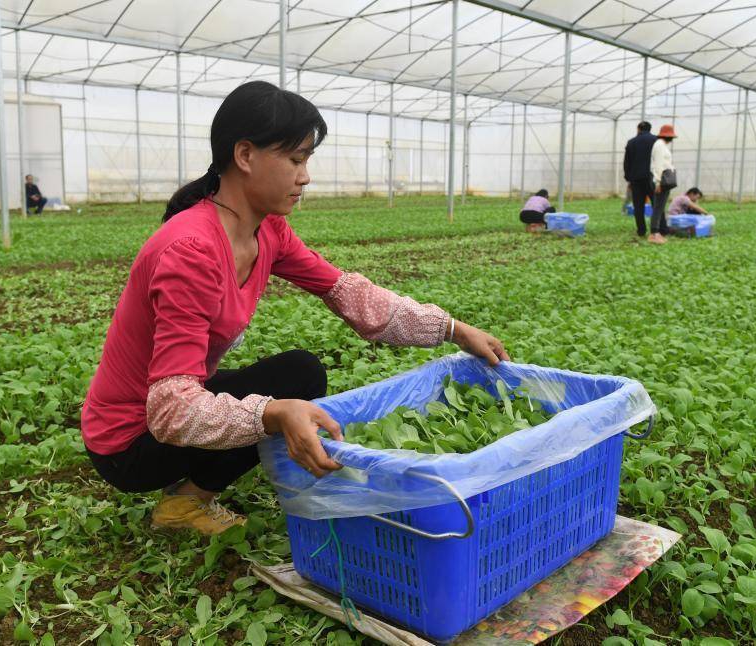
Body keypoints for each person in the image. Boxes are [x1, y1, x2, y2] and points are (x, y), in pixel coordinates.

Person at [80, 81, 510, 536]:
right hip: (129, 440)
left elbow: (352, 296)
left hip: (168, 409)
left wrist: (454, 329)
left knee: (299, 373)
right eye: (295, 159)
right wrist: (271, 414)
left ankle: (193, 491)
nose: (305, 176)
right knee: (282, 400)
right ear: (245, 156)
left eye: (307, 160)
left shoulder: (268, 232)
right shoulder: (192, 250)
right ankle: (185, 506)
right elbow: (171, 410)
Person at [623, 121, 657, 237]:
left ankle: (641, 230)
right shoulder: (656, 140)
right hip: (651, 177)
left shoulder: (631, 142)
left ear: (638, 129)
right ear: (650, 129)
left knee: (638, 205)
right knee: (656, 203)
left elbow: (627, 162)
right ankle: (658, 229)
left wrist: (628, 177)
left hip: (636, 179)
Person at [649, 124, 677, 245]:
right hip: (660, 180)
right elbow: (658, 165)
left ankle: (657, 233)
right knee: (658, 207)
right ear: (667, 136)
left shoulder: (661, 145)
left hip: (662, 180)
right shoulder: (660, 145)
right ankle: (653, 234)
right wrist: (658, 182)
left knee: (660, 207)